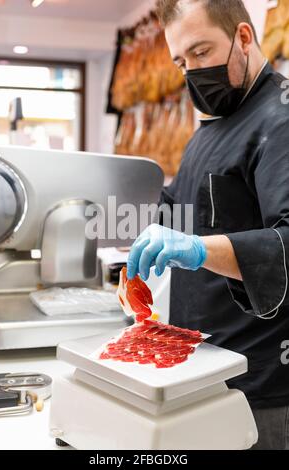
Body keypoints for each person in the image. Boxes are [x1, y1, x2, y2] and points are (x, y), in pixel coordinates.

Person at [127, 0, 289, 450]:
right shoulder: (209, 129)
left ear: (242, 37)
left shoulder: (281, 119)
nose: (191, 72)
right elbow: (183, 209)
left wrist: (198, 249)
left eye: (201, 53)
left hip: (257, 382)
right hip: (196, 365)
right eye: (181, 61)